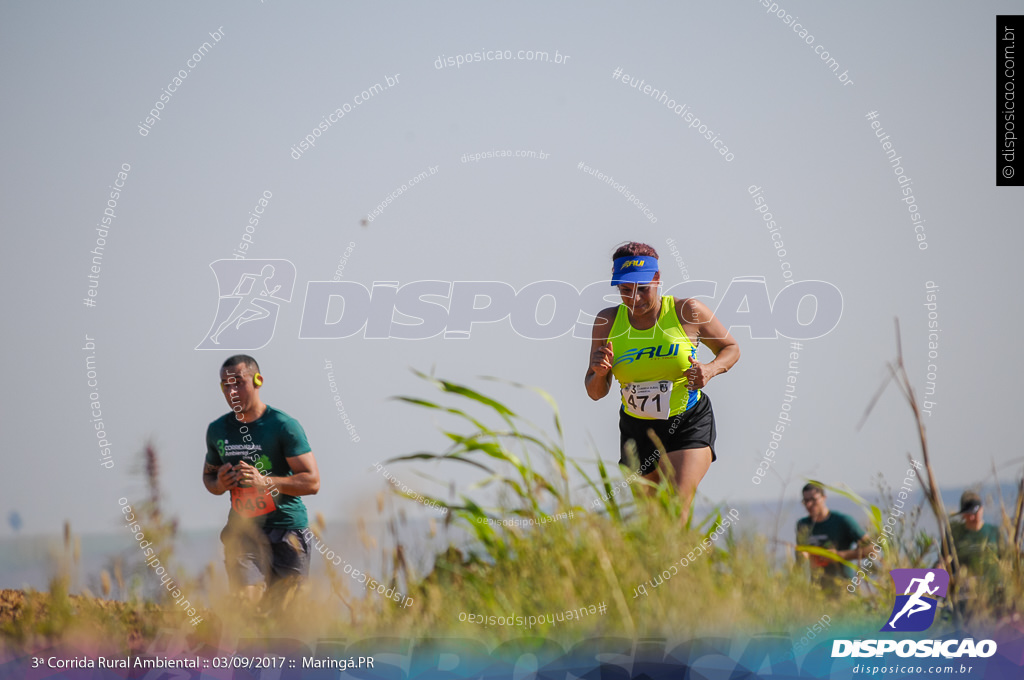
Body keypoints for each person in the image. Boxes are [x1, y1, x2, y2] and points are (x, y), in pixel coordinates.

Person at [585, 242, 740, 524]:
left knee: (676, 509)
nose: (635, 298)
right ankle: (692, 564)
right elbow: (596, 392)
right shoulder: (607, 321)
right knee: (653, 525)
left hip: (687, 420)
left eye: (643, 288)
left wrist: (709, 369)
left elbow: (730, 348)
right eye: (625, 290)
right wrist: (598, 371)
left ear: (657, 280)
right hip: (636, 429)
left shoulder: (687, 311)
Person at [202, 355, 320, 604]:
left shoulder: (283, 426)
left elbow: (312, 482)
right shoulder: (217, 430)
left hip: (287, 529)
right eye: (225, 384)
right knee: (246, 602)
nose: (231, 391)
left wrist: (264, 481)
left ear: (258, 381)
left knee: (286, 617)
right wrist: (220, 484)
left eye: (238, 382)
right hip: (243, 531)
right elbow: (209, 478)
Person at [795, 483, 870, 588]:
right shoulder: (803, 524)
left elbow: (871, 550)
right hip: (815, 590)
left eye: (813, 500)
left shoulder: (843, 521)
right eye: (806, 501)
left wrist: (838, 556)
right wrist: (803, 556)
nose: (809, 505)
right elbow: (800, 556)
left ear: (824, 498)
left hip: (843, 587)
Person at [950, 491, 1004, 577]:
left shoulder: (995, 532)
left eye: (974, 513)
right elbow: (947, 563)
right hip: (964, 586)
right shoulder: (954, 535)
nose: (972, 517)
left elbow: (1006, 560)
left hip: (993, 586)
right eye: (968, 514)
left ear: (982, 509)